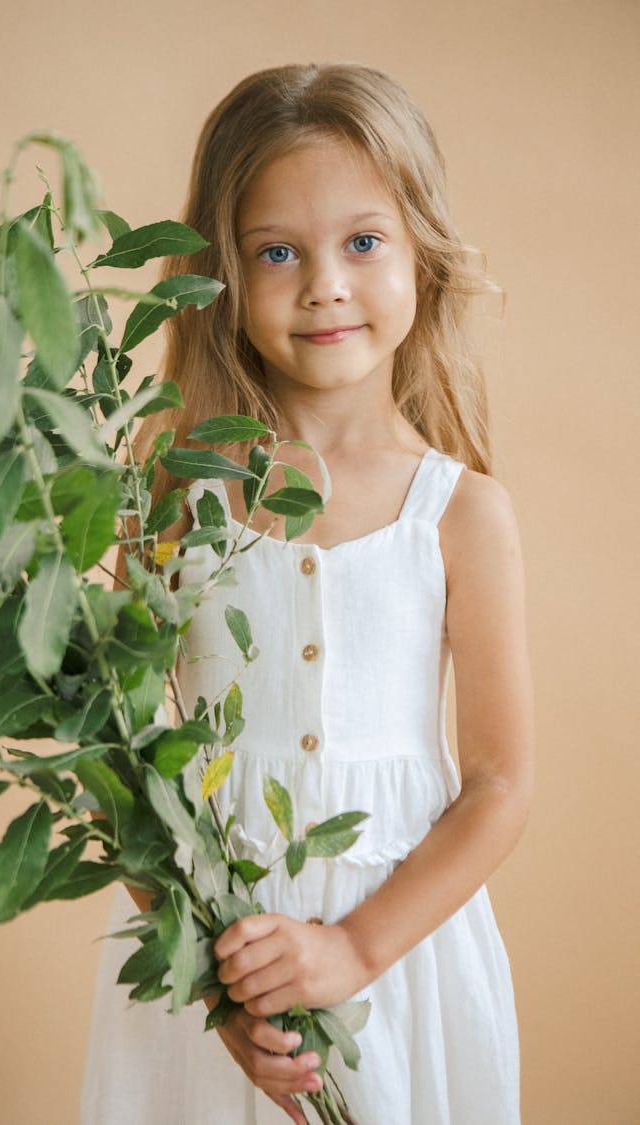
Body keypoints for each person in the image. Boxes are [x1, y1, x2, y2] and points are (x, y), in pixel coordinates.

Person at [81, 63, 535, 1125]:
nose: (324, 283)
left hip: (399, 954)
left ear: (420, 251)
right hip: (209, 958)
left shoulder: (461, 513)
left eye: (362, 242)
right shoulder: (172, 482)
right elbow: (117, 748)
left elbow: (501, 784)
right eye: (275, 252)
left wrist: (350, 951)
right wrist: (212, 976)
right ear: (223, 278)